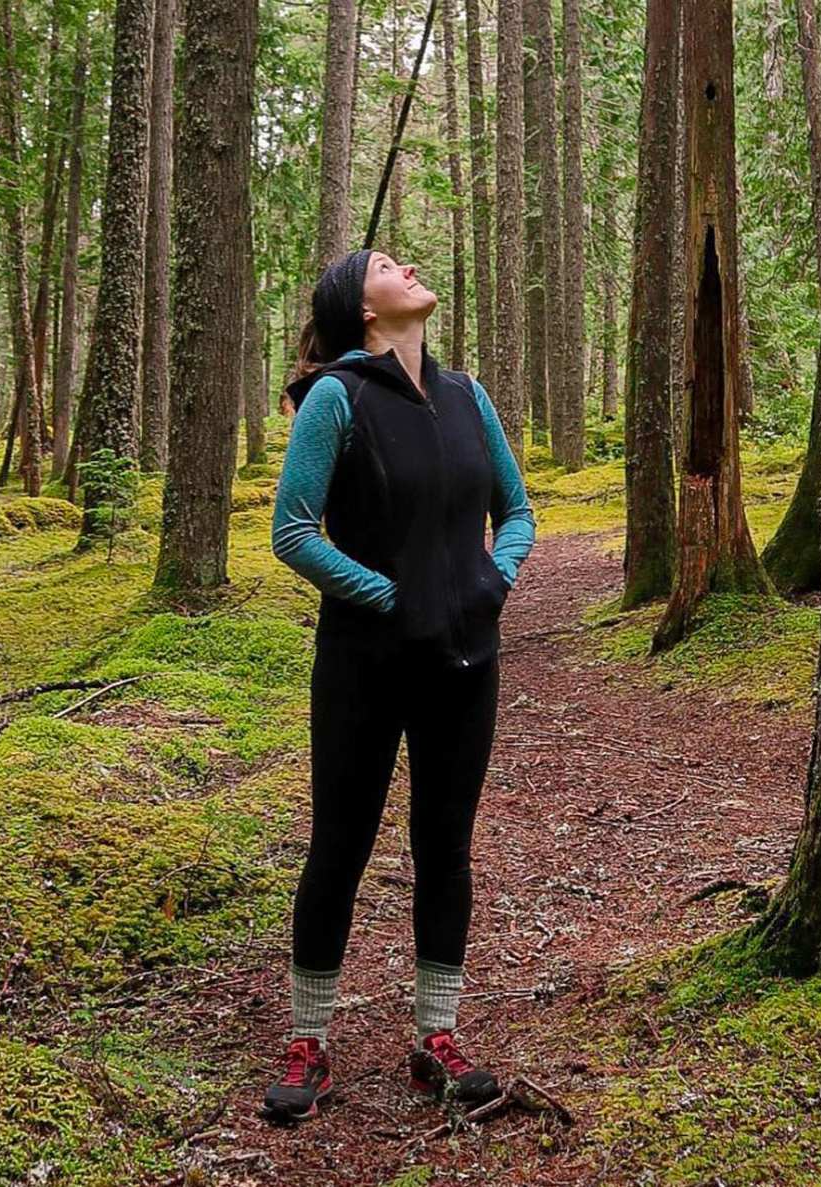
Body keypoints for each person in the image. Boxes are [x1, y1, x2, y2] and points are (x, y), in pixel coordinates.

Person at [261, 248, 537, 1123]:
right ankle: (310, 1042)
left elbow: (518, 510)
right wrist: (389, 596)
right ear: (364, 311)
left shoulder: (467, 397)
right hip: (364, 662)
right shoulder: (337, 397)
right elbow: (293, 530)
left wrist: (496, 581)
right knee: (338, 848)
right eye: (387, 265)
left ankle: (437, 1039)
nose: (410, 266)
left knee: (444, 847)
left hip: (466, 660)